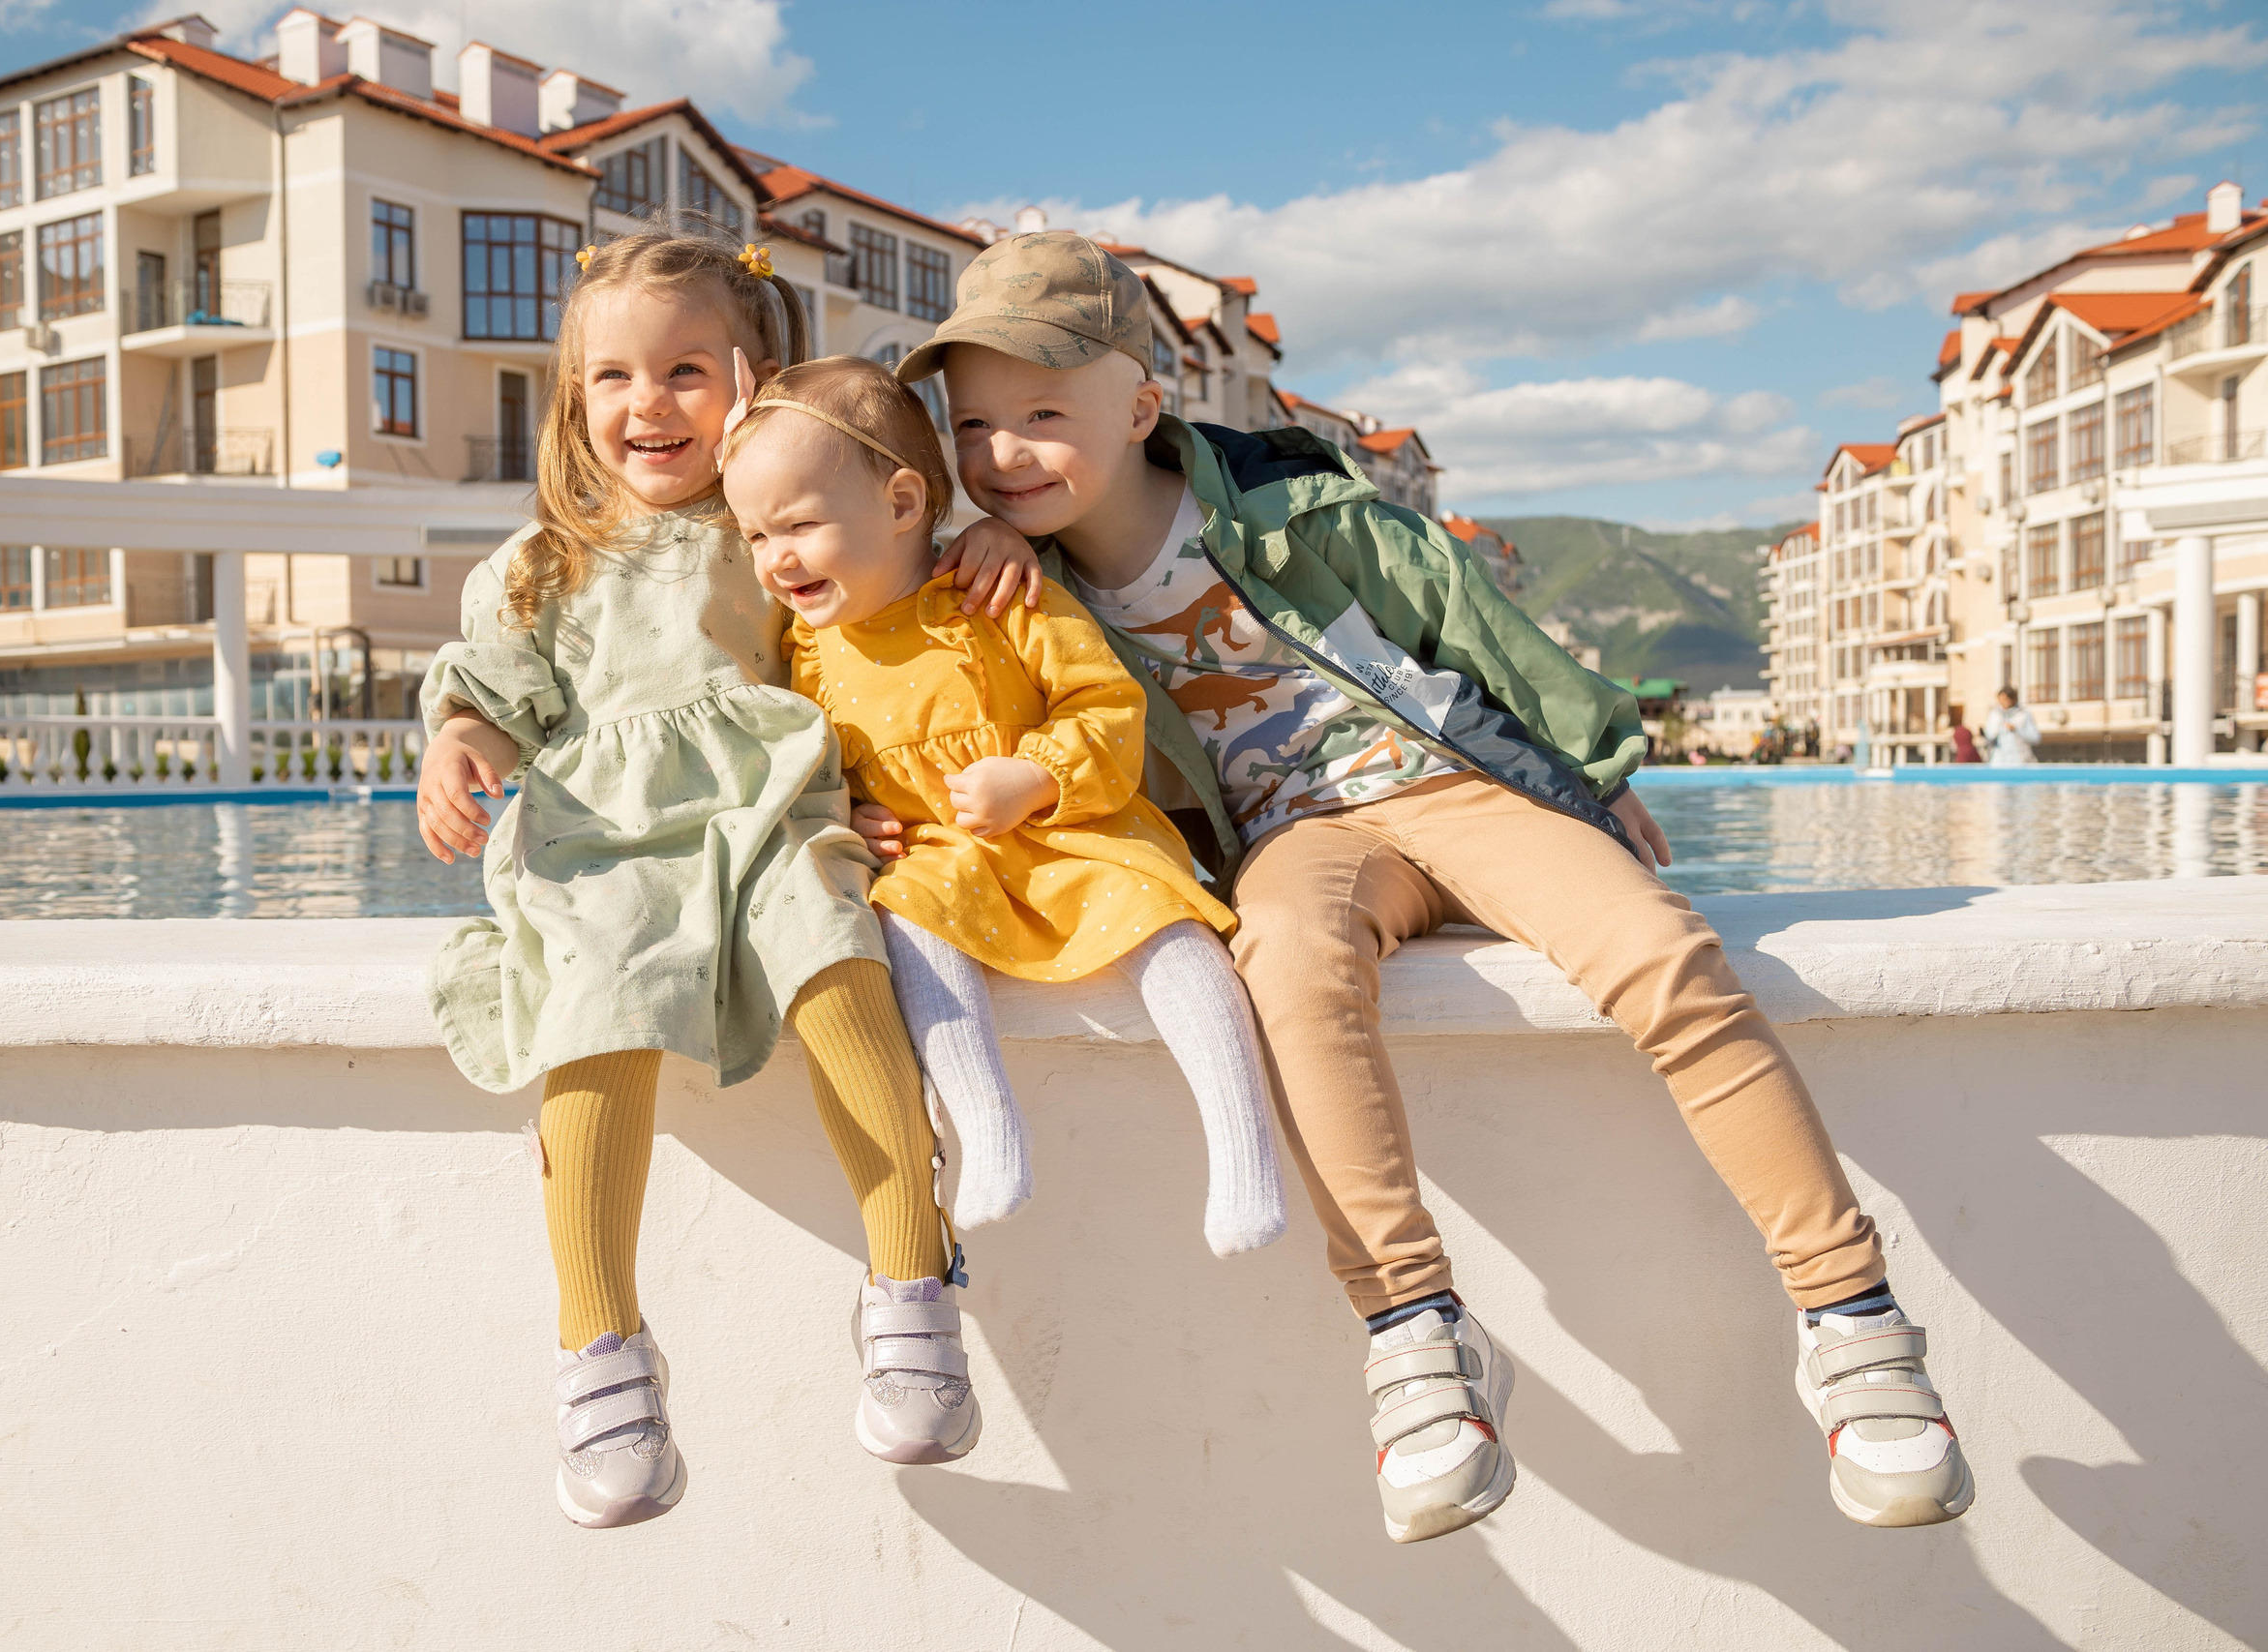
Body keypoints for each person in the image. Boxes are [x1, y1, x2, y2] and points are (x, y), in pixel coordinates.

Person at [897, 233, 1974, 1542]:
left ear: (1139, 407)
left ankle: (1852, 1316)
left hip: (1455, 781)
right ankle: (1417, 1334)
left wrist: (1599, 760)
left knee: (1660, 952)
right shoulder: (1016, 587)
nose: (1004, 453)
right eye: (974, 427)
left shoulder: (1299, 512)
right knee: (1281, 965)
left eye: (1043, 414)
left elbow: (1470, 620)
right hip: (1299, 838)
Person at [412, 224, 1042, 1529]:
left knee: (838, 962)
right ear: (573, 400)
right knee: (590, 1023)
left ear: (753, 379)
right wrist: (458, 747)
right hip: (606, 844)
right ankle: (602, 1354)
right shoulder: (538, 565)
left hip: (767, 817)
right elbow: (488, 699)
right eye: (614, 378)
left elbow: (894, 560)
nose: (648, 403)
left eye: (688, 370)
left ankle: (914, 1291)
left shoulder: (773, 519)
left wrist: (989, 539)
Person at [720, 353, 1286, 1258]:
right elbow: (800, 764)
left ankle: (1244, 1148)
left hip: (1071, 832)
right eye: (753, 536)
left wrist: (1039, 773)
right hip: (944, 855)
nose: (773, 558)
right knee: (906, 919)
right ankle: (985, 1128)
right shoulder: (806, 650)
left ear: (904, 505)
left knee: (1170, 931)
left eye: (798, 526)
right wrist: (846, 810)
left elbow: (1105, 703)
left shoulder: (1000, 594)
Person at [1984, 687, 2039, 766]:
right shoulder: (1995, 714)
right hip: (1998, 762)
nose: (2002, 702)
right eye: (2000, 700)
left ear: (2013, 699)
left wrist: (2016, 730)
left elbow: (2035, 738)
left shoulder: (2023, 714)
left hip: (2019, 761)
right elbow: (1988, 737)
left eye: (2005, 699)